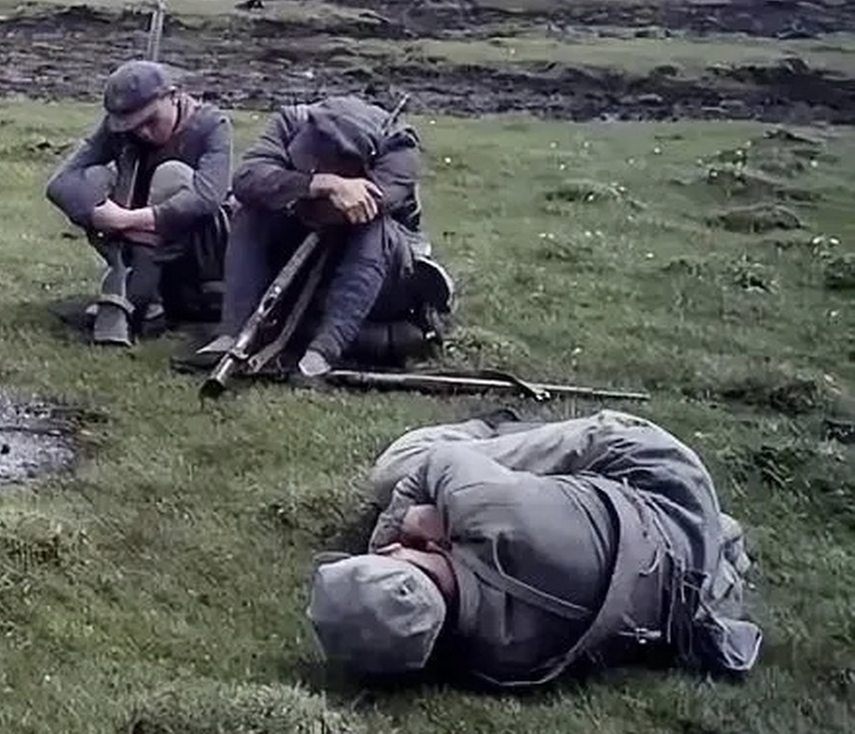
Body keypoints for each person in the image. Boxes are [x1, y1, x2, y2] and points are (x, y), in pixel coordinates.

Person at [308, 409, 761, 689]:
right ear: (393, 559)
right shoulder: (490, 513)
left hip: (671, 570)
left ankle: (718, 536)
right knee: (395, 471)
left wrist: (439, 536)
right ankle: (492, 426)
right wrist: (402, 524)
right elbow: (437, 464)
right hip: (652, 474)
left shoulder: (493, 660)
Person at [188, 95, 447, 379]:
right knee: (252, 212)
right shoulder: (293, 121)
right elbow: (246, 179)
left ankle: (324, 350)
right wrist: (322, 185)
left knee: (373, 226)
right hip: (303, 253)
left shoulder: (398, 146)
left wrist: (289, 190)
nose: (315, 167)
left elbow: (368, 205)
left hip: (379, 275)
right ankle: (233, 332)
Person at [43, 59, 231, 345]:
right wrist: (98, 213)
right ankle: (139, 296)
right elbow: (61, 183)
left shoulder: (211, 125)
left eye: (150, 121)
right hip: (137, 246)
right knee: (92, 181)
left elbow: (207, 197)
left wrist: (129, 219)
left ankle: (136, 298)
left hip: (200, 255)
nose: (142, 133)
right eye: (133, 125)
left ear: (173, 96)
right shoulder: (120, 132)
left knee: (172, 176)